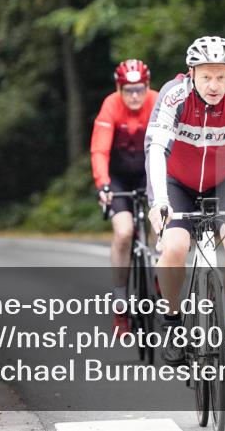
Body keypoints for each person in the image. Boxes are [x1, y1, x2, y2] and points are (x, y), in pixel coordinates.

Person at [145, 36, 225, 374]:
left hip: (223, 180)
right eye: (206, 76)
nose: (215, 85)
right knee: (173, 246)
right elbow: (156, 148)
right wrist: (159, 200)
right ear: (191, 73)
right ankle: (172, 321)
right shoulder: (174, 95)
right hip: (176, 183)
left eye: (221, 76)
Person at [91, 59, 159, 335]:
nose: (134, 96)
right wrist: (103, 185)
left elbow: (171, 145)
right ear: (119, 88)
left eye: (139, 89)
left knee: (162, 225)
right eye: (128, 90)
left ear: (147, 87)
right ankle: (120, 303)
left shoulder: (156, 102)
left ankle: (161, 276)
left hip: (150, 172)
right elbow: (100, 150)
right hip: (119, 176)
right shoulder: (111, 105)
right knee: (123, 232)